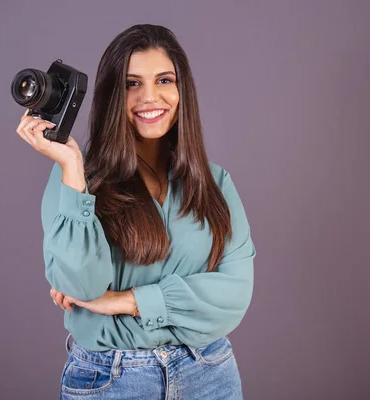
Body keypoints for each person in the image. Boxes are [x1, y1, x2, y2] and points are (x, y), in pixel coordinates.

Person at [16, 24, 256, 400]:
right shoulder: (76, 181)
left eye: (164, 80)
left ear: (182, 90)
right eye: (131, 84)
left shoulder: (215, 183)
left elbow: (235, 295)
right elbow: (81, 287)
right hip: (110, 378)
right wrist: (74, 169)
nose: (150, 97)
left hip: (209, 373)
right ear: (113, 95)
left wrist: (124, 301)